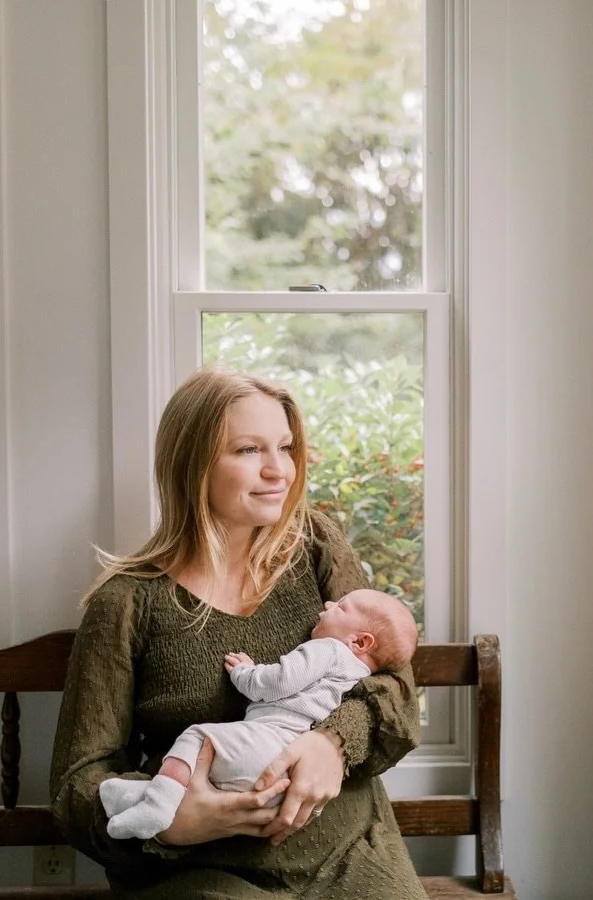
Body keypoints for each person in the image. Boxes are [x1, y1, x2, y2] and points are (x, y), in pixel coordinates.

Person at [49, 367, 427, 899]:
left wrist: (333, 744)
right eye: (249, 450)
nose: (279, 471)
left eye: (286, 447)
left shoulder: (315, 546)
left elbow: (396, 685)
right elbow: (78, 782)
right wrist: (177, 824)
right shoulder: (127, 603)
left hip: (349, 854)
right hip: (203, 871)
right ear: (191, 465)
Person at [98, 588, 418, 842]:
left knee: (195, 738)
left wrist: (245, 673)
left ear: (360, 641)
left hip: (272, 742)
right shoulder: (360, 676)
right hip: (289, 778)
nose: (329, 604)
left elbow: (279, 681)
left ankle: (157, 804)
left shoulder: (330, 649)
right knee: (217, 778)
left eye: (341, 607)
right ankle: (142, 797)